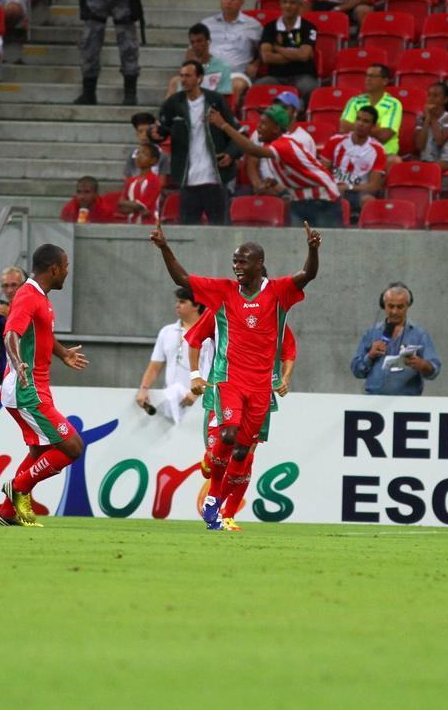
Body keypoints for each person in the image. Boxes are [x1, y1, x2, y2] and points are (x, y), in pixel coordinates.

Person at [150, 217, 321, 530]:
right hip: (229, 380)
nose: (237, 267)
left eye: (243, 261)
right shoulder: (224, 292)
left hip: (261, 389)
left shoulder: (279, 292)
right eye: (234, 262)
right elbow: (184, 278)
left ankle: (216, 504)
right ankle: (216, 495)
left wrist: (312, 251)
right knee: (228, 436)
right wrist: (164, 248)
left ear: (259, 263)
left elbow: (307, 275)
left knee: (243, 450)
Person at [187, 285, 297, 531]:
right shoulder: (222, 309)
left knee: (244, 456)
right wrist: (195, 374)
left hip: (261, 393)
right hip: (224, 387)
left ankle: (225, 514)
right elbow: (195, 338)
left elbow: (289, 349)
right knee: (223, 448)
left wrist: (285, 378)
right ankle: (210, 463)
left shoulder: (273, 316)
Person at [0, 243, 90, 527]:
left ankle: (6, 513)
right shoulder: (27, 296)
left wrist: (63, 354)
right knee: (72, 447)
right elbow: (11, 332)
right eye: (66, 267)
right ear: (54, 268)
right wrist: (18, 361)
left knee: (40, 452)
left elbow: (43, 333)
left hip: (36, 387)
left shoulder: (40, 297)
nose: (67, 272)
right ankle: (19, 487)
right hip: (26, 389)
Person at [213, 104, 343, 227]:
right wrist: (274, 185)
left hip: (323, 201)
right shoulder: (273, 150)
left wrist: (224, 125)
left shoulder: (284, 145)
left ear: (276, 128)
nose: (258, 127)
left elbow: (252, 149)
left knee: (326, 246)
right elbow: (296, 180)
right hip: (300, 201)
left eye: (263, 123)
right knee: (300, 246)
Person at [152, 60, 240, 225]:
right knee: (188, 229)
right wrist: (154, 136)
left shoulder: (215, 101)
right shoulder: (173, 103)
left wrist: (231, 154)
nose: (183, 80)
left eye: (188, 76)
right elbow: (161, 131)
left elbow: (237, 133)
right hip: (188, 179)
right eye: (181, 76)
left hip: (215, 178)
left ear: (199, 78)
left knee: (220, 230)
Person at [350, 282, 441, 395]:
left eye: (400, 307)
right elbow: (356, 371)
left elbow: (435, 370)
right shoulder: (371, 333)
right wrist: (369, 356)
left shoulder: (419, 335)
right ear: (384, 305)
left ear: (408, 305)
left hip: (407, 404)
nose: (394, 311)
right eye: (391, 306)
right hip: (374, 401)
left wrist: (423, 365)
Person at [135, 287, 211, 422]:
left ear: (196, 305)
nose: (177, 305)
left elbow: (214, 367)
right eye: (176, 301)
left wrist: (197, 392)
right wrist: (143, 388)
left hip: (201, 399)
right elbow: (154, 366)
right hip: (172, 401)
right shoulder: (167, 332)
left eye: (182, 302)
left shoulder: (210, 332)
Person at [200, 0, 262, 108]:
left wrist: (256, 64)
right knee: (176, 82)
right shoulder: (206, 24)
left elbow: (263, 50)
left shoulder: (253, 25)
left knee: (235, 85)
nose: (228, 1)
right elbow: (192, 50)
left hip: (236, 73)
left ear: (241, 2)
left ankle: (225, 123)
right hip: (208, 72)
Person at [256, 0, 319, 102]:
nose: (288, 6)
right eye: (284, 2)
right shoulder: (270, 27)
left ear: (300, 5)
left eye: (292, 2)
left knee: (309, 87)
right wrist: (296, 55)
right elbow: (266, 57)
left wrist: (277, 48)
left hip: (303, 75)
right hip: (276, 77)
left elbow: (304, 55)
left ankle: (300, 115)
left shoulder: (309, 27)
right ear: (280, 4)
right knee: (259, 87)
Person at [325, 105, 387, 219]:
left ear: (373, 126)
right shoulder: (335, 141)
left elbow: (374, 186)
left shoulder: (378, 150)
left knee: (369, 200)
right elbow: (322, 171)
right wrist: (332, 186)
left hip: (357, 192)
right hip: (333, 189)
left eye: (366, 121)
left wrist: (347, 187)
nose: (360, 124)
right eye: (358, 119)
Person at [340, 63, 402, 158]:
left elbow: (384, 136)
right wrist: (375, 129)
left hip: (383, 153)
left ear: (385, 81)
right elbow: (344, 129)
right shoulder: (355, 101)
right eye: (367, 76)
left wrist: (357, 128)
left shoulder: (393, 104)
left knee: (394, 160)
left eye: (373, 76)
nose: (368, 79)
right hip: (354, 150)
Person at [165, 22, 233, 98]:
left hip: (211, 107)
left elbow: (223, 98)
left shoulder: (223, 68)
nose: (196, 46)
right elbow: (182, 96)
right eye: (192, 42)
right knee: (174, 83)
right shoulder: (188, 68)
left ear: (208, 41)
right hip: (188, 107)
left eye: (199, 41)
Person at [415, 82, 448, 170]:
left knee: (432, 167)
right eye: (429, 95)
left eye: (435, 96)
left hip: (444, 161)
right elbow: (420, 146)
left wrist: (433, 118)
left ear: (445, 99)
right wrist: (427, 119)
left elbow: (439, 141)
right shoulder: (420, 118)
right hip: (424, 160)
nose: (431, 99)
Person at [118, 142, 162, 223]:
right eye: (138, 153)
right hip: (131, 222)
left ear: (153, 160)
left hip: (149, 223)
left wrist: (130, 205)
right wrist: (136, 207)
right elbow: (120, 204)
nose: (139, 157)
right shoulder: (131, 180)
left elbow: (141, 206)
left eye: (144, 154)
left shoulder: (154, 180)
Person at [123, 111, 171, 179]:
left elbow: (162, 181)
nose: (144, 135)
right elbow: (127, 179)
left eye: (147, 131)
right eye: (140, 131)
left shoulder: (162, 155)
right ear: (136, 133)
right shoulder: (132, 155)